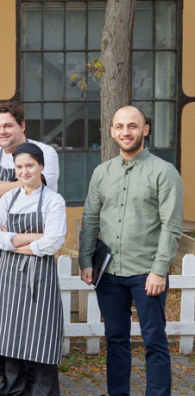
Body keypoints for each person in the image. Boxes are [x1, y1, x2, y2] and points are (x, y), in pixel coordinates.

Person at [79, 106, 183, 396]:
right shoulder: (102, 173)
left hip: (146, 274)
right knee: (115, 340)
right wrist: (86, 260)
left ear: (145, 130)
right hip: (109, 275)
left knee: (154, 341)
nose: (126, 132)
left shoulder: (164, 172)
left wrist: (159, 269)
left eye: (133, 126)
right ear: (112, 132)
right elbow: (90, 220)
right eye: (120, 127)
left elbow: (171, 226)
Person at [0, 102, 59, 395]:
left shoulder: (45, 151)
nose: (2, 132)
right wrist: (18, 191)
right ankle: (10, 381)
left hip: (34, 256)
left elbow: (46, 189)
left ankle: (35, 383)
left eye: (7, 125)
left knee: (35, 317)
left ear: (22, 125)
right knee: (3, 315)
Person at [0, 143, 66, 396]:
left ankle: (43, 390)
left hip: (40, 274)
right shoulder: (8, 198)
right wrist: (33, 238)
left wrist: (13, 241)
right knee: (10, 331)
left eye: (30, 165)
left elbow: (53, 242)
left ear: (41, 167)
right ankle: (15, 388)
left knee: (42, 332)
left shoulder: (54, 200)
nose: (25, 171)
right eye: (19, 167)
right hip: (9, 274)